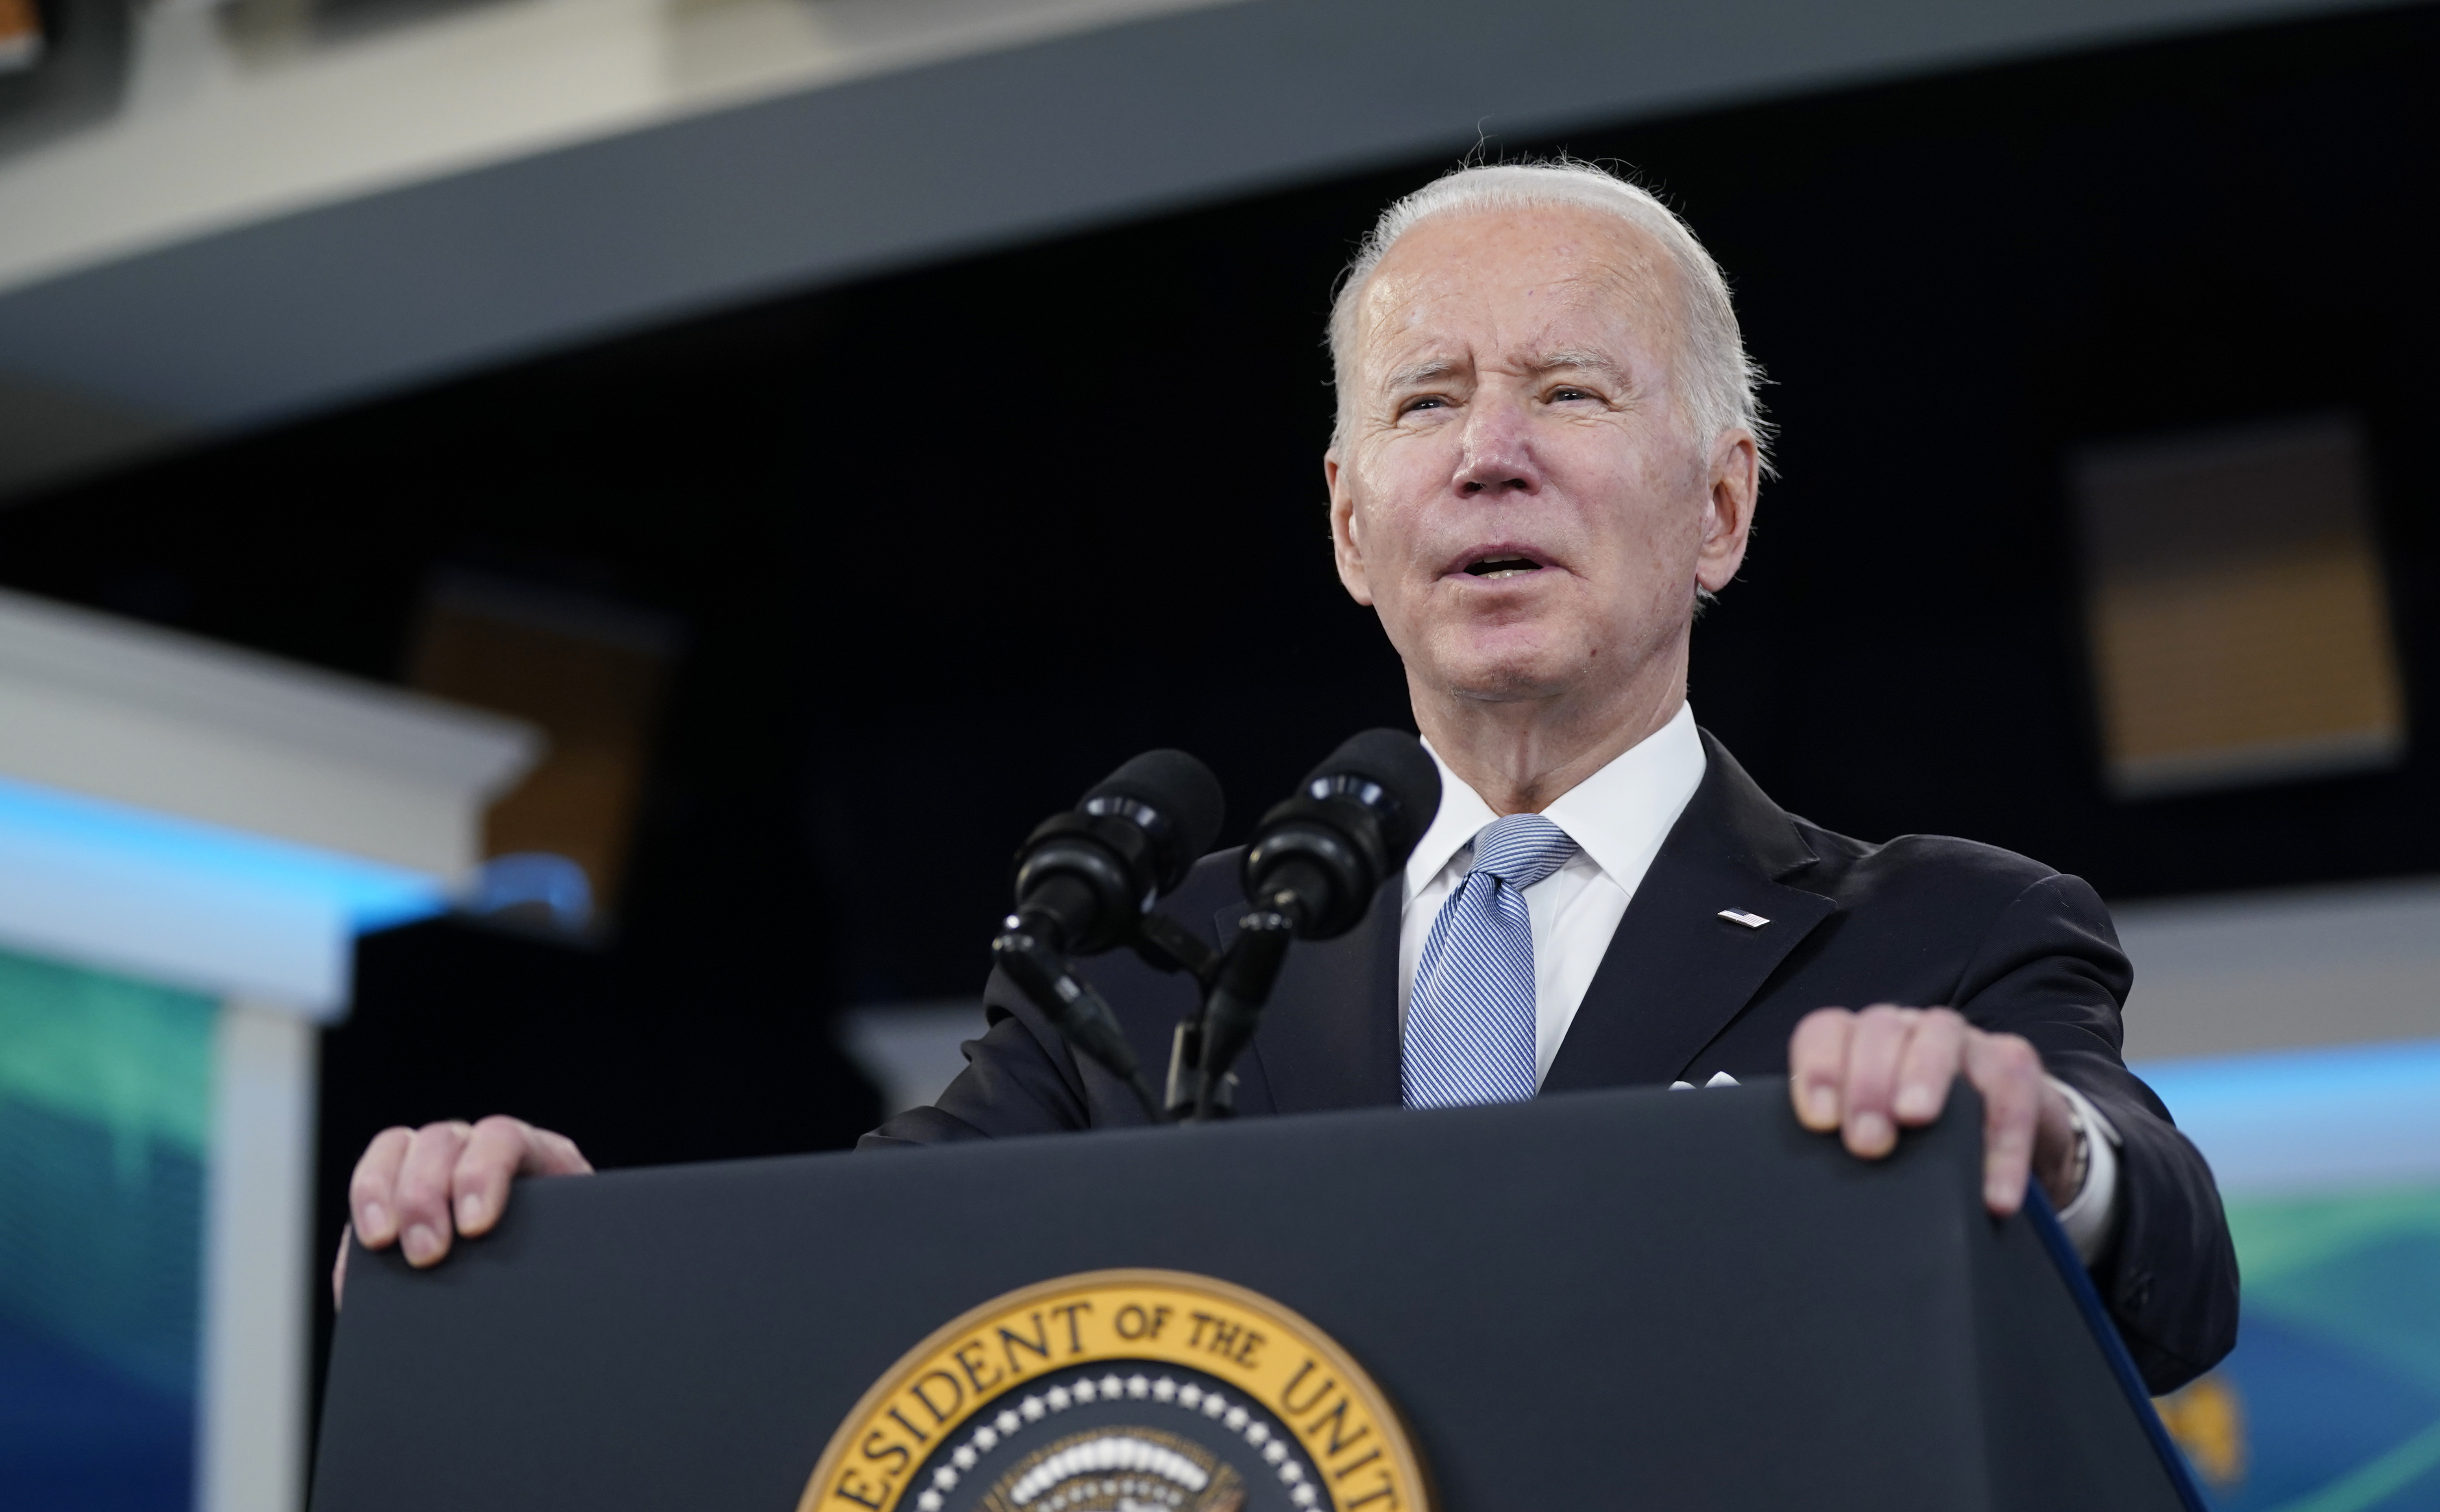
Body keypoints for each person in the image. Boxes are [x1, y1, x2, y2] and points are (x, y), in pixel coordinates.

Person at [341, 160, 2236, 1393]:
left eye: (1571, 394)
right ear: (1351, 524)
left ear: (1720, 504)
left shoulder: (1947, 932)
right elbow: (852, 1283)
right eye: (1428, 404)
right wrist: (546, 1263)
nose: (1490, 456)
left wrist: (2041, 1150)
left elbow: (2166, 1264)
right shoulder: (1156, 964)